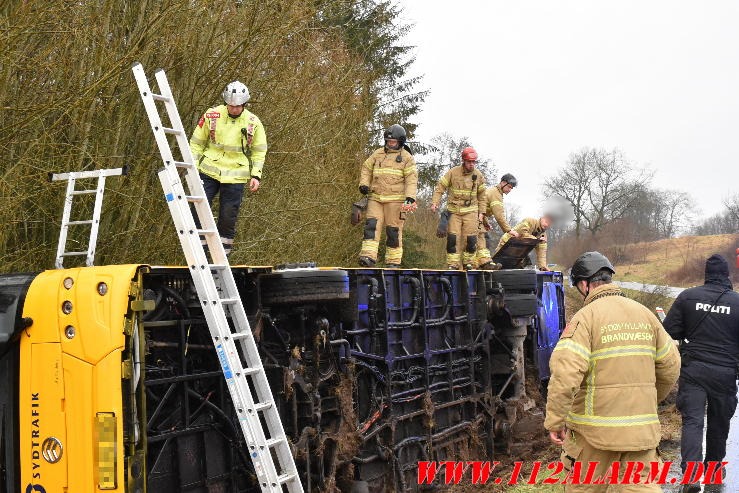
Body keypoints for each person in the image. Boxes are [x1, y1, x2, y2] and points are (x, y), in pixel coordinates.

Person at [545, 251, 680, 492]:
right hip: (641, 432)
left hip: (593, 435)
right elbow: (671, 367)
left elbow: (565, 375)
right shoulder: (646, 315)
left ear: (585, 284)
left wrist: (555, 420)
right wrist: (646, 399)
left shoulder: (585, 319)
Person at [663, 254, 739, 492]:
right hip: (725, 374)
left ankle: (692, 475)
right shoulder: (737, 303)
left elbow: (670, 331)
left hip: (693, 371)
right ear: (727, 275)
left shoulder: (688, 297)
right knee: (719, 423)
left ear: (706, 274)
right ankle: (714, 470)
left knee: (693, 422)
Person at [189, 81, 267, 256]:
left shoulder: (253, 122)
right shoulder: (212, 115)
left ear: (244, 104)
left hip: (235, 175)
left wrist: (256, 175)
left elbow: (259, 151)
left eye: (237, 106)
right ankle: (199, 248)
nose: (234, 109)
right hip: (209, 170)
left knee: (227, 214)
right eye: (231, 106)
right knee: (199, 207)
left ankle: (222, 253)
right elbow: (196, 143)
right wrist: (193, 167)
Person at [358, 124, 418, 267]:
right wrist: (364, 184)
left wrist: (410, 197)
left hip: (396, 201)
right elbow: (366, 168)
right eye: (388, 141)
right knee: (371, 227)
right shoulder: (378, 154)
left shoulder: (407, 158)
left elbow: (412, 179)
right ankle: (368, 257)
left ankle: (393, 261)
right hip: (376, 198)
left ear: (401, 142)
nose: (390, 144)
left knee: (393, 231)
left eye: (393, 142)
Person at [430, 147, 488, 270]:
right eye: (469, 162)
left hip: (471, 212)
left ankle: (469, 263)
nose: (471, 164)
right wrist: (435, 202)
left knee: (471, 240)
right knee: (453, 239)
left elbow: (482, 196)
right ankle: (453, 264)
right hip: (454, 211)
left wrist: (482, 212)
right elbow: (440, 188)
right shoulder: (452, 172)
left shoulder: (478, 175)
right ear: (464, 161)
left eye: (473, 162)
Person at [476, 173, 518, 269]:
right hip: (473, 217)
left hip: (477, 217)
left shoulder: (493, 191)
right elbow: (499, 216)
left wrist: (486, 223)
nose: (510, 190)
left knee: (483, 239)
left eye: (512, 188)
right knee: (482, 239)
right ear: (503, 183)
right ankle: (484, 264)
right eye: (509, 187)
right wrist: (509, 230)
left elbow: (483, 209)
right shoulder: (496, 194)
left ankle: (481, 263)